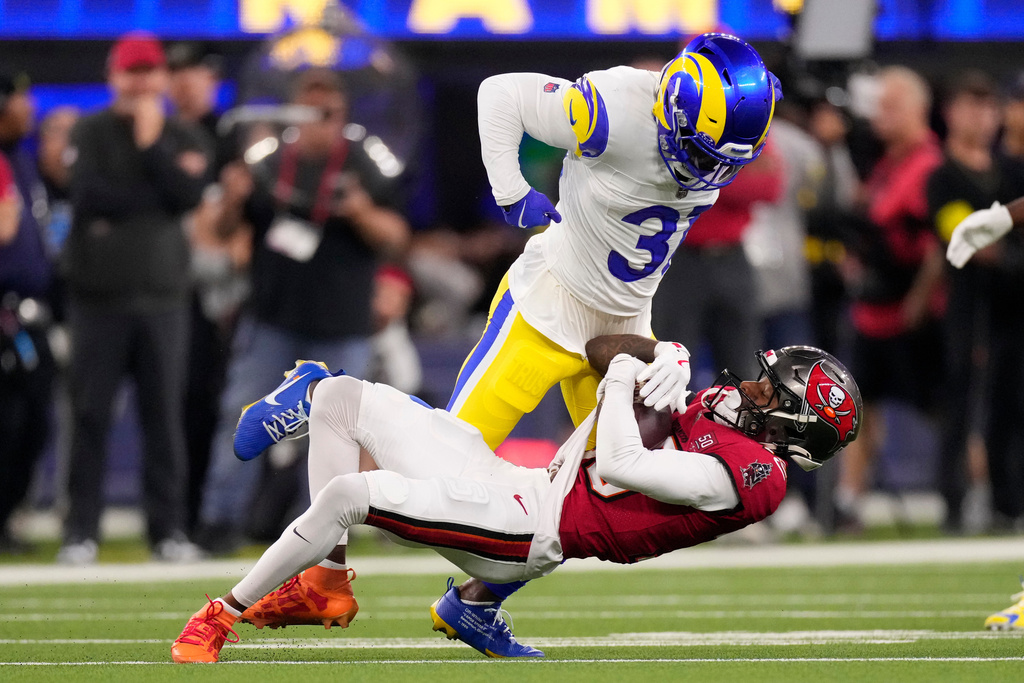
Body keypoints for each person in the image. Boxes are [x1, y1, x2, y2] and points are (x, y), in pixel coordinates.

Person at [169, 336, 861, 662]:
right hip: (518, 484)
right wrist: (660, 348)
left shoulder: (755, 479)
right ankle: (325, 580)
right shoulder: (721, 408)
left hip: (531, 528)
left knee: (353, 490)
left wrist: (627, 374)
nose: (754, 388)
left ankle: (219, 614)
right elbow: (598, 346)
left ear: (792, 424)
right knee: (341, 398)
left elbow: (622, 462)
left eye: (774, 393)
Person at [447, 32, 781, 450]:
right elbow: (500, 94)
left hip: (629, 326)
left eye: (722, 160)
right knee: (454, 447)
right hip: (550, 304)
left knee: (621, 493)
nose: (709, 171)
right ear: (672, 107)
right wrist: (511, 190)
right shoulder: (614, 109)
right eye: (701, 153)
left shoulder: (718, 131)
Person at [193, 68, 410, 551]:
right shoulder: (268, 164)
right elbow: (225, 231)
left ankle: (323, 531)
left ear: (343, 115)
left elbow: (397, 238)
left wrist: (361, 213)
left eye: (327, 113)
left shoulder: (366, 164)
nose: (318, 123)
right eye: (307, 112)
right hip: (273, 318)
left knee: (339, 434)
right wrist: (231, 199)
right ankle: (218, 521)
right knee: (243, 415)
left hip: (343, 323)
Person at [57, 32, 210, 564]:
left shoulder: (184, 134)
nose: (141, 81)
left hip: (164, 299)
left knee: (163, 420)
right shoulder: (90, 129)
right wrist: (154, 196)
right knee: (90, 417)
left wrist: (150, 149)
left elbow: (186, 196)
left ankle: (167, 532)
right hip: (97, 300)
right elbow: (90, 196)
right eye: (132, 71)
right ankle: (80, 532)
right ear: (113, 76)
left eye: (150, 71)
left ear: (163, 77)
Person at [833, 66, 945, 526]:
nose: (881, 115)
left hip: (912, 310)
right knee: (856, 408)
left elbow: (936, 245)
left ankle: (975, 492)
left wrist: (921, 299)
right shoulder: (885, 163)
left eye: (891, 106)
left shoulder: (929, 166)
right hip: (873, 310)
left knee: (940, 408)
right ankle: (848, 503)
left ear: (919, 109)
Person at [927, 71, 1024, 533]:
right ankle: (955, 504)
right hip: (967, 306)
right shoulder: (942, 176)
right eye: (971, 106)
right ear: (951, 113)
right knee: (963, 406)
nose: (981, 118)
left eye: (988, 107)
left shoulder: (1012, 170)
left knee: (1012, 405)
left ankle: (1009, 503)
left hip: (1013, 310)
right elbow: (964, 239)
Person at [0, 70, 58, 553]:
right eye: (21, 97)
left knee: (34, 418)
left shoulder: (20, 155)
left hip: (28, 312)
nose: (29, 106)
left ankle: (5, 518)